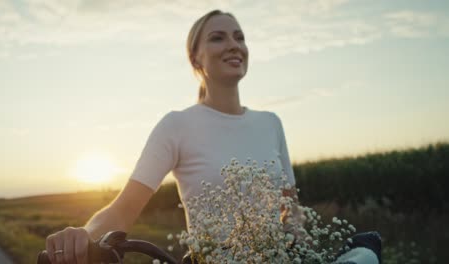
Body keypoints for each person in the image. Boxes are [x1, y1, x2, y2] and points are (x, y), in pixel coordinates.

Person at [45, 10, 380, 264]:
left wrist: (305, 252)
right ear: (196, 58)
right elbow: (122, 211)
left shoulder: (271, 123)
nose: (233, 45)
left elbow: (290, 212)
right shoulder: (176, 125)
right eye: (218, 38)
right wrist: (83, 236)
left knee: (365, 256)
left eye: (239, 36)